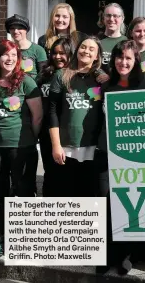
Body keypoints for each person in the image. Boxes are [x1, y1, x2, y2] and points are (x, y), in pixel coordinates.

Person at [95, 39, 145, 275]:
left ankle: (125, 256)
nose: (124, 62)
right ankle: (105, 254)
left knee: (129, 205)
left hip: (132, 157)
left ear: (136, 60)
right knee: (104, 202)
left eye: (129, 58)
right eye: (120, 57)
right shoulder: (106, 86)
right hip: (105, 152)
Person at [0, 40, 42, 258]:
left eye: (14, 55)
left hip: (21, 146)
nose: (10, 59)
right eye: (5, 55)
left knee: (23, 192)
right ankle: (0, 239)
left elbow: (37, 116)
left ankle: (25, 240)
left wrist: (29, 138)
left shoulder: (27, 82)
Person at [48, 36, 104, 197]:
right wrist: (56, 145)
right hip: (66, 147)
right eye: (83, 47)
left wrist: (104, 76)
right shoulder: (61, 75)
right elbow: (52, 112)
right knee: (67, 194)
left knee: (90, 194)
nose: (86, 51)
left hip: (93, 147)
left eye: (91, 49)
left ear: (97, 56)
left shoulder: (102, 79)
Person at [36, 38, 71, 197]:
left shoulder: (75, 75)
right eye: (55, 53)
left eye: (62, 53)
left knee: (67, 177)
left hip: (68, 133)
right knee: (50, 175)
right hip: (46, 132)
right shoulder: (44, 75)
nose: (58, 57)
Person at [5, 14, 47, 81]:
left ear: (26, 30)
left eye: (19, 28)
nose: (15, 31)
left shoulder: (38, 50)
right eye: (12, 28)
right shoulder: (7, 50)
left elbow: (43, 74)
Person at [99, 3, 128, 75]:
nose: (111, 19)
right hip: (98, 84)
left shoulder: (127, 42)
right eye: (108, 15)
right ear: (103, 18)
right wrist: (99, 73)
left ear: (122, 19)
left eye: (115, 16)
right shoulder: (96, 41)